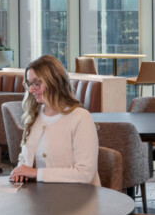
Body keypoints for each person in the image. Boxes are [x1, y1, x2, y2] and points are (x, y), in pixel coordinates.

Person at [10, 55, 100, 186]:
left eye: (36, 83)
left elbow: (85, 173)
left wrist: (35, 173)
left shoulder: (81, 118)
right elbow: (25, 157)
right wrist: (21, 170)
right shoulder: (35, 115)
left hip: (78, 200)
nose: (30, 89)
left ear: (54, 82)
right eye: (29, 84)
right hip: (41, 198)